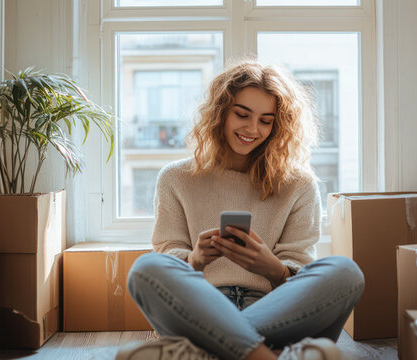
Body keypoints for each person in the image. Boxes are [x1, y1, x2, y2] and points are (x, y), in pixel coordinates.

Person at [116, 60, 365, 360]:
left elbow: (299, 268)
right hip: (202, 306)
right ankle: (270, 356)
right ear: (221, 113)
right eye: (242, 115)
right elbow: (168, 254)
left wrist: (271, 267)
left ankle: (211, 351)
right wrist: (194, 259)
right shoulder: (175, 178)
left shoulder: (299, 185)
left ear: (278, 125)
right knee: (147, 268)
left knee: (345, 272)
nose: (252, 129)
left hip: (275, 310)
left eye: (266, 120)